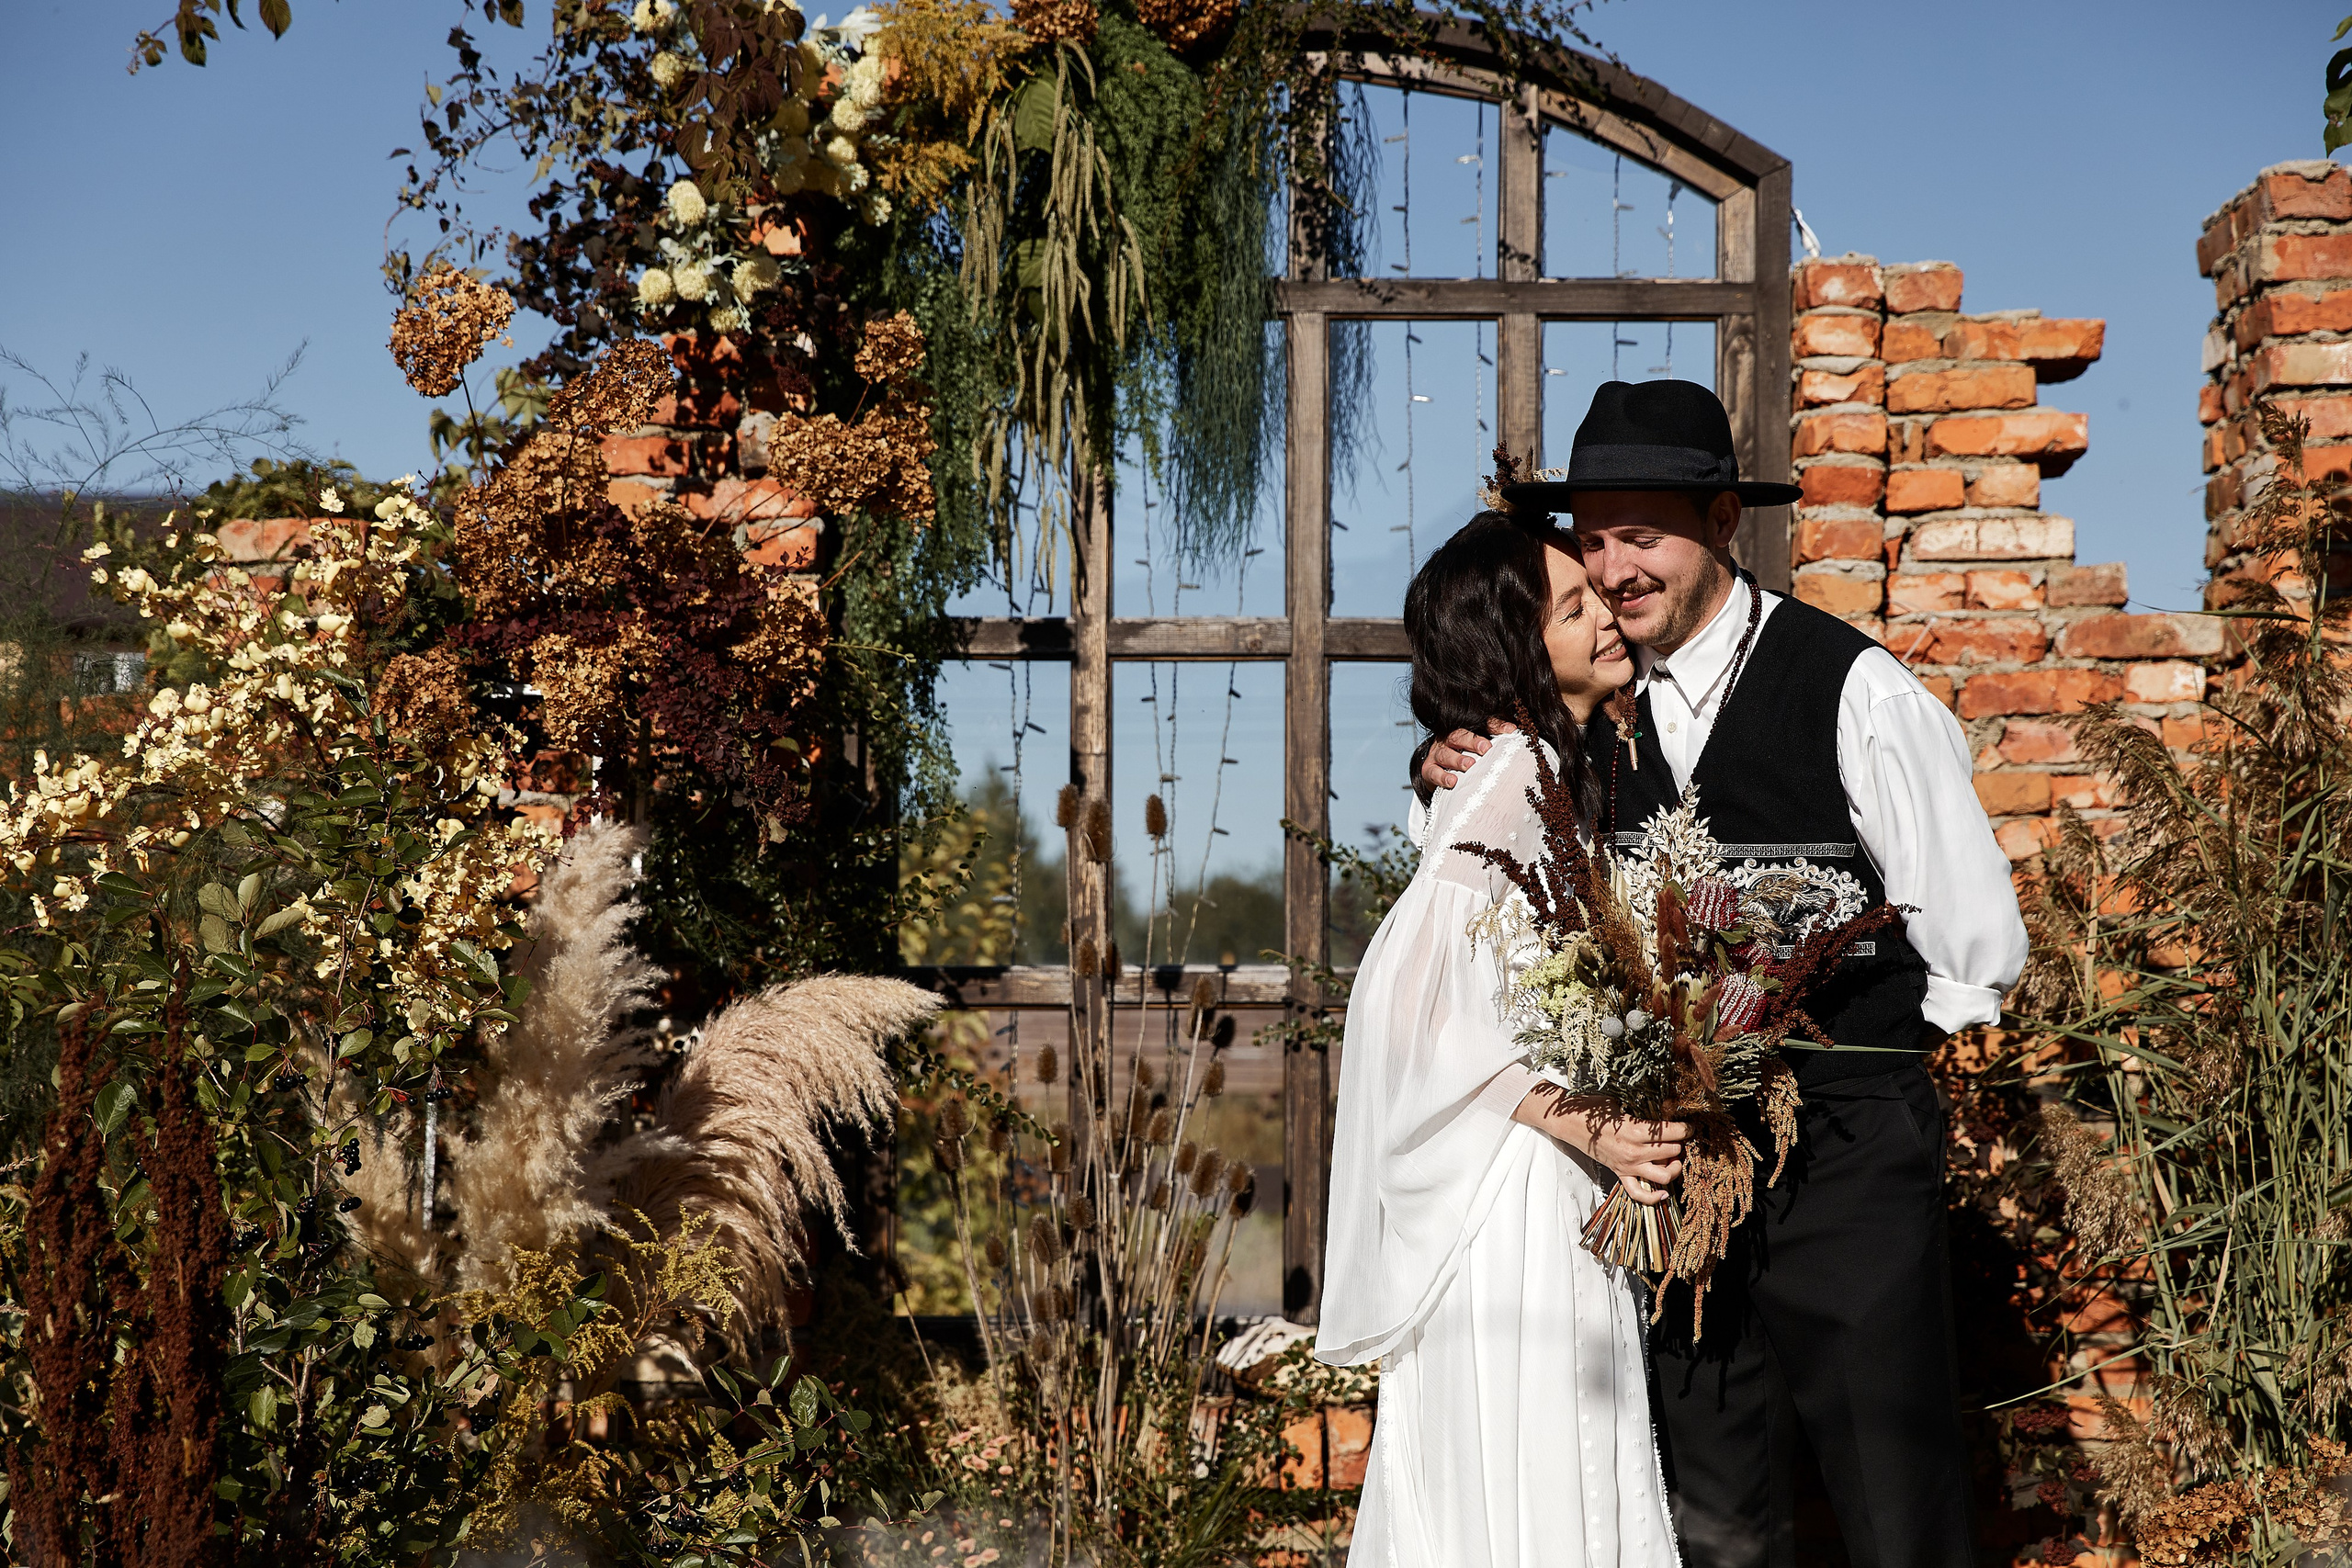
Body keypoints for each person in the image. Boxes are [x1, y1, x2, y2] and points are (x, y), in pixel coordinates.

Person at [1419, 379, 2027, 1568]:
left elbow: (1971, 940)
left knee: (1897, 1509)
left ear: (1720, 519)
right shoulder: (1581, 716)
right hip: (1670, 1177)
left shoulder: (1851, 687)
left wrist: (1869, 1100)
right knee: (1713, 1517)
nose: (1613, 566)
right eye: (1591, 540)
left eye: (1642, 533)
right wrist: (1435, 759)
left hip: (1845, 1157)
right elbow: (1488, 869)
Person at [1315, 512, 1685, 1568]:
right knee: (1543, 1465)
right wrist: (1596, 1127)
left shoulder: (1547, 766)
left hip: (1535, 1179)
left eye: (1595, 596)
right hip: (1514, 1194)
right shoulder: (1512, 771)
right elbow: (1402, 1001)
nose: (1608, 618)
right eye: (1574, 609)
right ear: (1523, 654)